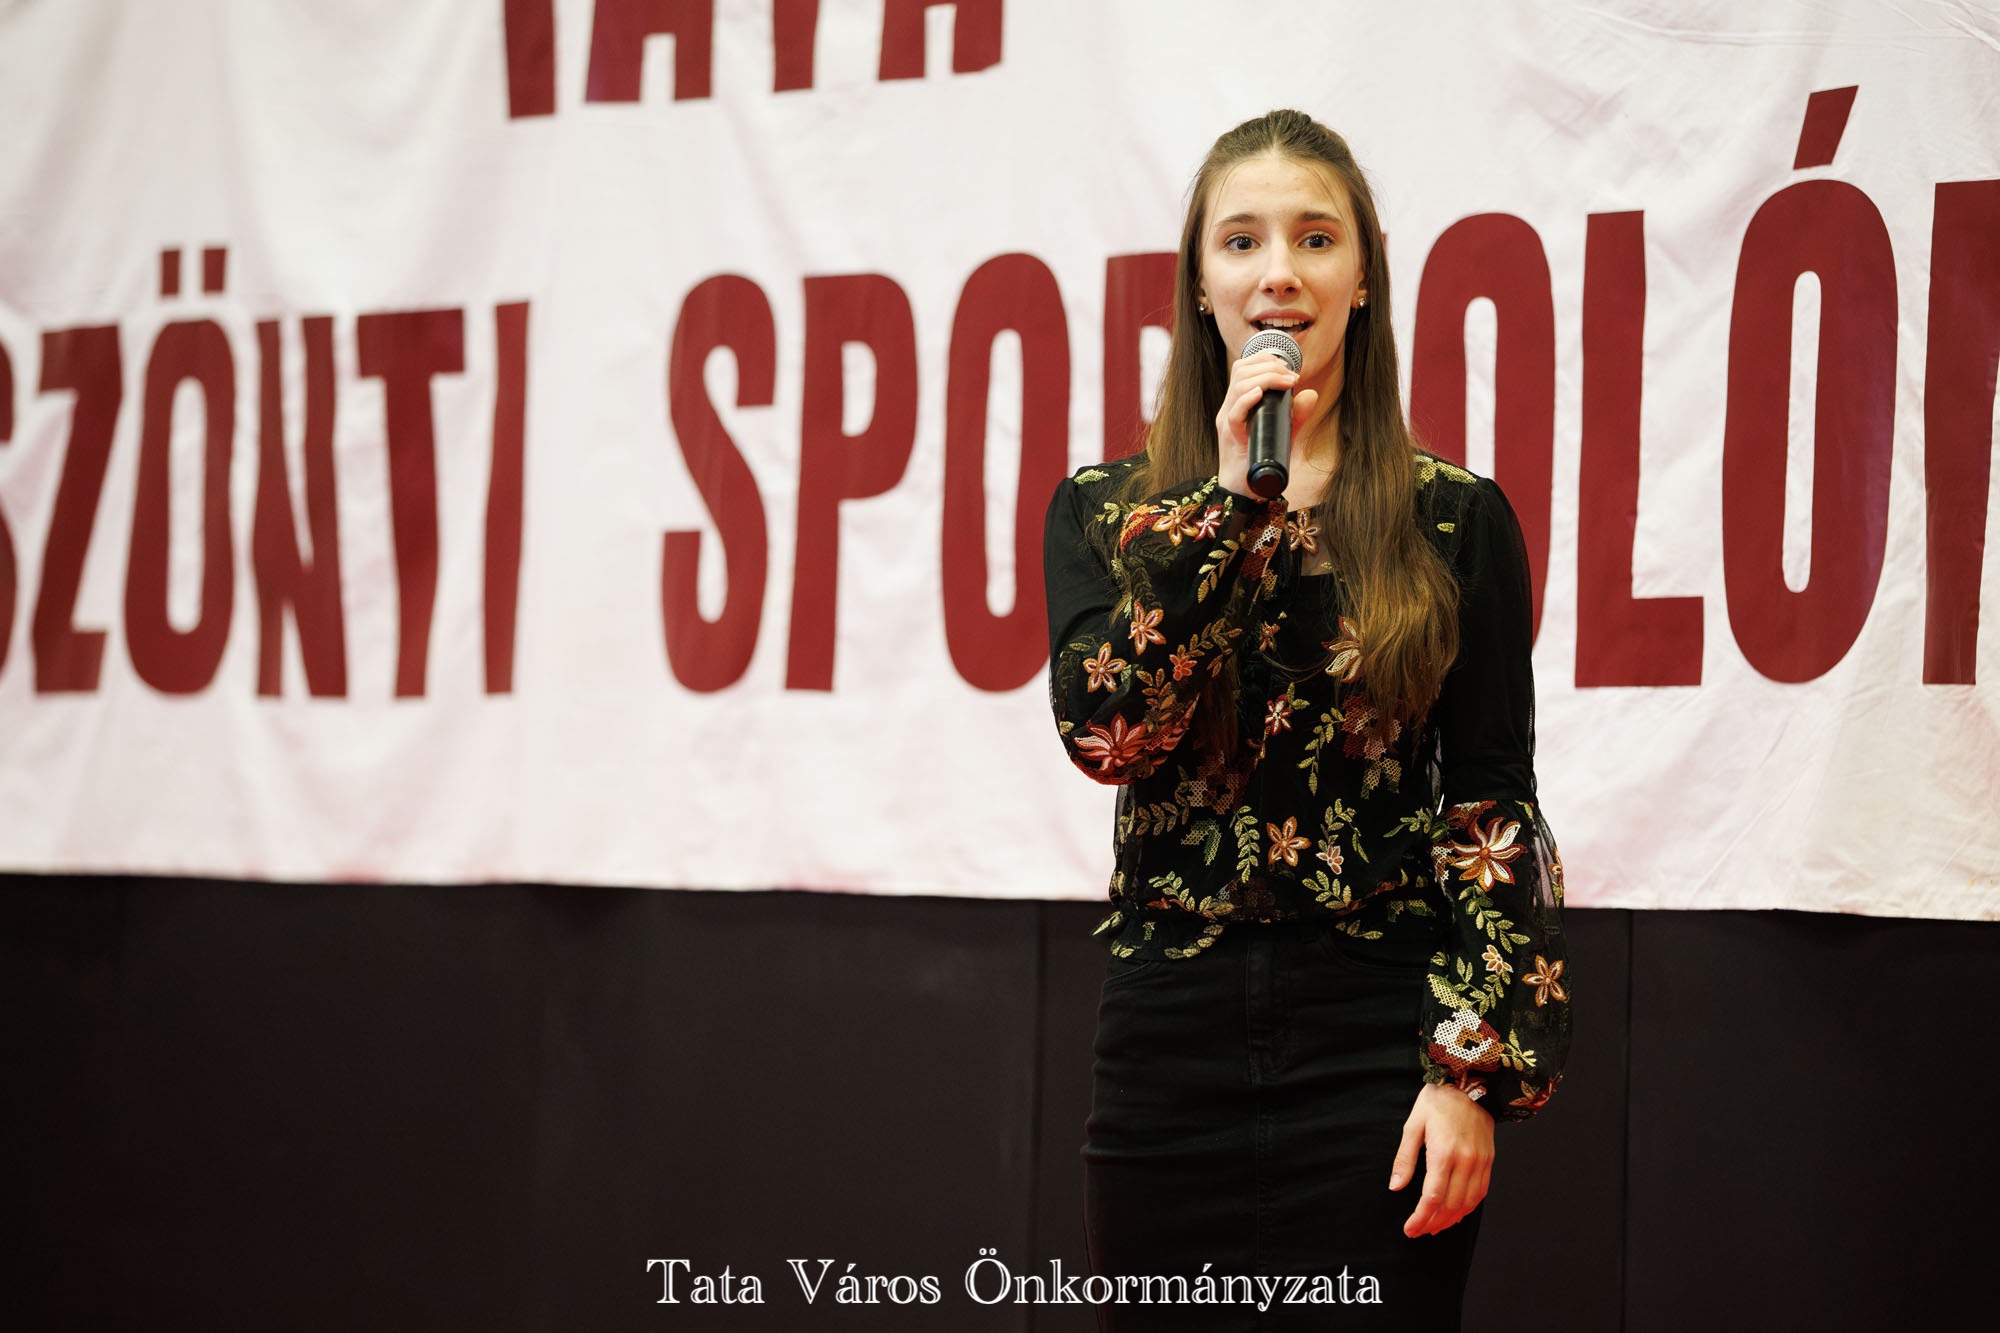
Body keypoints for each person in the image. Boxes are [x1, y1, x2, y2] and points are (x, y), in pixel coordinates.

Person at [1042, 109, 1570, 1332]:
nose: (1276, 270)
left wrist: (1467, 1070)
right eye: (1241, 240)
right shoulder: (1107, 511)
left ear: (1362, 277)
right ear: (1201, 285)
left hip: (1373, 1041)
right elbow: (1105, 734)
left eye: (1313, 237)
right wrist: (1227, 508)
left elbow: (1489, 800)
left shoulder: (1453, 520)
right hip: (1167, 1047)